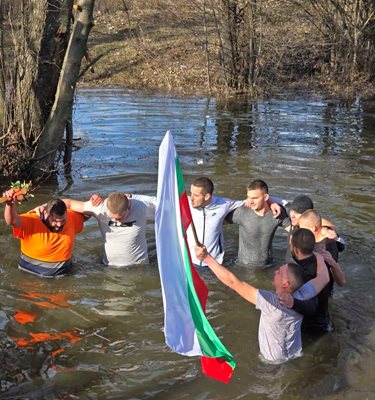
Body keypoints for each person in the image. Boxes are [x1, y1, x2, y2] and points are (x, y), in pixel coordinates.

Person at [194, 245, 329, 363]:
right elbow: (324, 277)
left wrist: (207, 259)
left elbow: (233, 282)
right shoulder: (302, 295)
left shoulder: (270, 303)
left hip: (272, 363)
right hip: (295, 355)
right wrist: (320, 257)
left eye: (279, 272)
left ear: (285, 284)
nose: (276, 271)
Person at [188, 177, 287, 267]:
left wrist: (273, 203)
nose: (191, 198)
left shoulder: (224, 205)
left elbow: (251, 201)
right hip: (189, 261)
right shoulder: (185, 203)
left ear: (206, 196)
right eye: (191, 193)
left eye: (195, 195)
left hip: (214, 263)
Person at [3, 190, 84, 277]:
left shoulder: (71, 217)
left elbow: (87, 212)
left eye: (62, 221)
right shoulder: (32, 220)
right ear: (46, 213)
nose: (59, 224)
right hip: (29, 277)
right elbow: (12, 221)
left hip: (62, 279)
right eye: (55, 221)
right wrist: (10, 205)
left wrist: (94, 200)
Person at [62, 192, 156, 266]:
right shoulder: (99, 207)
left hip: (139, 266)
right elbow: (68, 203)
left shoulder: (141, 207)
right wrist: (47, 210)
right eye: (111, 217)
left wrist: (133, 195)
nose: (116, 221)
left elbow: (164, 203)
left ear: (129, 207)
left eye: (119, 218)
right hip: (109, 266)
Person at [226, 179, 291, 268]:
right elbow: (217, 222)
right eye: (249, 197)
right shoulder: (241, 212)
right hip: (244, 266)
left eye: (255, 198)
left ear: (266, 197)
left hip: (268, 266)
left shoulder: (277, 213)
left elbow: (295, 233)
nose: (250, 201)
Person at [287, 228, 333, 333]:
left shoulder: (298, 273)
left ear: (296, 249)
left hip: (310, 327)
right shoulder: (323, 263)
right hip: (326, 321)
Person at [298, 209, 346, 292]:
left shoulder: (328, 246)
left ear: (313, 228)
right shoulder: (311, 239)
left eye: (303, 230)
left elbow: (341, 282)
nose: (301, 233)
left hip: (323, 292)